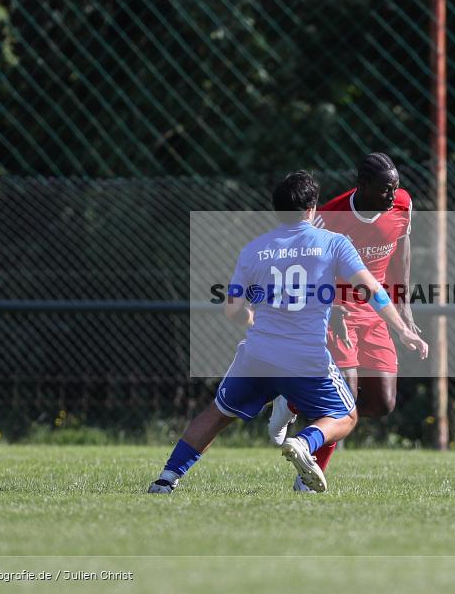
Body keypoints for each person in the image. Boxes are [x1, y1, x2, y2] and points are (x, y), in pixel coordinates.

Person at [148, 170, 427, 494]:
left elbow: (232, 309)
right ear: (312, 208)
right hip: (306, 358)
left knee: (217, 414)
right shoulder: (333, 243)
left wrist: (251, 319)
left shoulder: (254, 250)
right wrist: (403, 330)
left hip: (257, 355)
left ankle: (166, 479)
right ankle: (304, 442)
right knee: (345, 415)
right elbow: (374, 291)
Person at [268, 153, 419, 491]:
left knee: (382, 403)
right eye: (385, 189)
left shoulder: (402, 204)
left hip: (375, 310)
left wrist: (404, 307)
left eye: (395, 187)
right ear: (362, 185)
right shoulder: (330, 217)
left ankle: (292, 399)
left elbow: (402, 248)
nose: (392, 195)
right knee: (343, 403)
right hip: (335, 311)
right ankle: (307, 480)